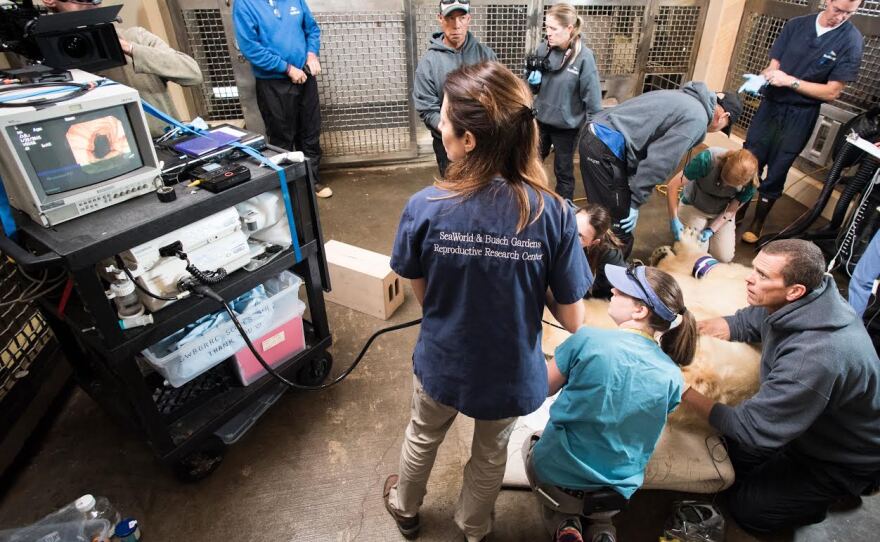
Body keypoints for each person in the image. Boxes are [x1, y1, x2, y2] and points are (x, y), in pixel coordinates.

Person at [383, 61, 590, 542]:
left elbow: (423, 293)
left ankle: (405, 508)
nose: (440, 126)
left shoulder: (425, 206)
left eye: (444, 119)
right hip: (509, 369)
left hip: (444, 358)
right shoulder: (553, 213)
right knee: (491, 452)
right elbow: (573, 318)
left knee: (422, 434)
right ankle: (474, 528)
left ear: (469, 139)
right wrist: (534, 273)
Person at [680, 239, 880, 533]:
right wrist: (712, 326)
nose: (749, 278)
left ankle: (845, 489)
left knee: (748, 509)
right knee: (727, 451)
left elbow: (751, 427)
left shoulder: (813, 358)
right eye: (754, 269)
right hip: (808, 427)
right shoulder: (811, 299)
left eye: (762, 275)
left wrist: (682, 390)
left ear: (795, 290)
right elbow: (760, 318)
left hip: (841, 457)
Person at [524, 264, 696, 542]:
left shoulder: (587, 339)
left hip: (557, 483)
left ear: (640, 311)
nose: (612, 290)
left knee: (532, 441)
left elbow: (541, 389)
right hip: (615, 493)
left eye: (622, 290)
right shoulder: (673, 376)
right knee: (604, 501)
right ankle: (603, 530)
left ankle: (565, 523)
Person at [740, 0, 864, 243]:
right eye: (837, 10)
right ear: (827, 1)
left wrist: (790, 81)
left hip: (800, 113)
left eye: (849, 13)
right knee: (750, 159)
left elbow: (832, 92)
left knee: (778, 168)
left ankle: (758, 221)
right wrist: (763, 77)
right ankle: (737, 212)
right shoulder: (796, 26)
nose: (840, 17)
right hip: (771, 105)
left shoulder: (851, 40)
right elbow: (773, 66)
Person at [579, 82, 742, 257]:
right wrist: (635, 202)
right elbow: (660, 160)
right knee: (618, 232)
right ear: (723, 116)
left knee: (604, 218)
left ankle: (587, 263)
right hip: (605, 144)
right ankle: (603, 273)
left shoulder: (685, 98)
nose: (717, 130)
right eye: (724, 127)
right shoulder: (697, 119)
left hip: (599, 135)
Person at [43, 0, 203, 139]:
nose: (90, 4)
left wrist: (129, 48)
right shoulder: (46, 59)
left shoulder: (135, 37)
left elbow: (192, 74)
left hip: (164, 142)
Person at [233, 0, 333, 198]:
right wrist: (286, 68)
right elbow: (250, 47)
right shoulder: (245, 4)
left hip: (305, 77)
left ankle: (312, 181)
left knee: (310, 132)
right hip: (273, 82)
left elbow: (311, 29)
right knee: (281, 137)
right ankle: (288, 190)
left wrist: (311, 54)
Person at [413, 0, 497, 177]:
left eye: (461, 18)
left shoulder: (486, 55)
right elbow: (427, 108)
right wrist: (450, 131)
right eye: (450, 18)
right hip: (447, 144)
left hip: (482, 140)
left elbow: (497, 94)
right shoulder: (429, 63)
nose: (456, 25)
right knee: (453, 186)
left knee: (484, 184)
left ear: (469, 19)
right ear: (440, 19)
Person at [528, 3, 602, 200]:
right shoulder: (544, 48)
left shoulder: (584, 57)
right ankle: (528, 201)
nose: (548, 33)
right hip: (542, 120)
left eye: (553, 28)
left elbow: (593, 101)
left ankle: (564, 209)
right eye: (547, 27)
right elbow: (533, 88)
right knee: (531, 164)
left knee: (563, 171)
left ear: (569, 28)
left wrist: (594, 133)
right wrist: (532, 80)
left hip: (566, 127)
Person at [666, 148, 758, 263]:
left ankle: (707, 232)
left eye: (730, 185)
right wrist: (673, 219)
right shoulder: (706, 160)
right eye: (724, 179)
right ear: (725, 164)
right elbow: (673, 185)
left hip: (722, 211)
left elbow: (732, 209)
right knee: (695, 255)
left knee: (724, 257)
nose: (724, 185)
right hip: (695, 205)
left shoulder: (751, 184)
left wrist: (712, 229)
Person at [575, 203, 624, 299]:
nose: (569, 233)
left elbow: (609, 296)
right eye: (571, 225)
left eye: (579, 235)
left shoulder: (610, 255)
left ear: (593, 242)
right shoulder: (561, 218)